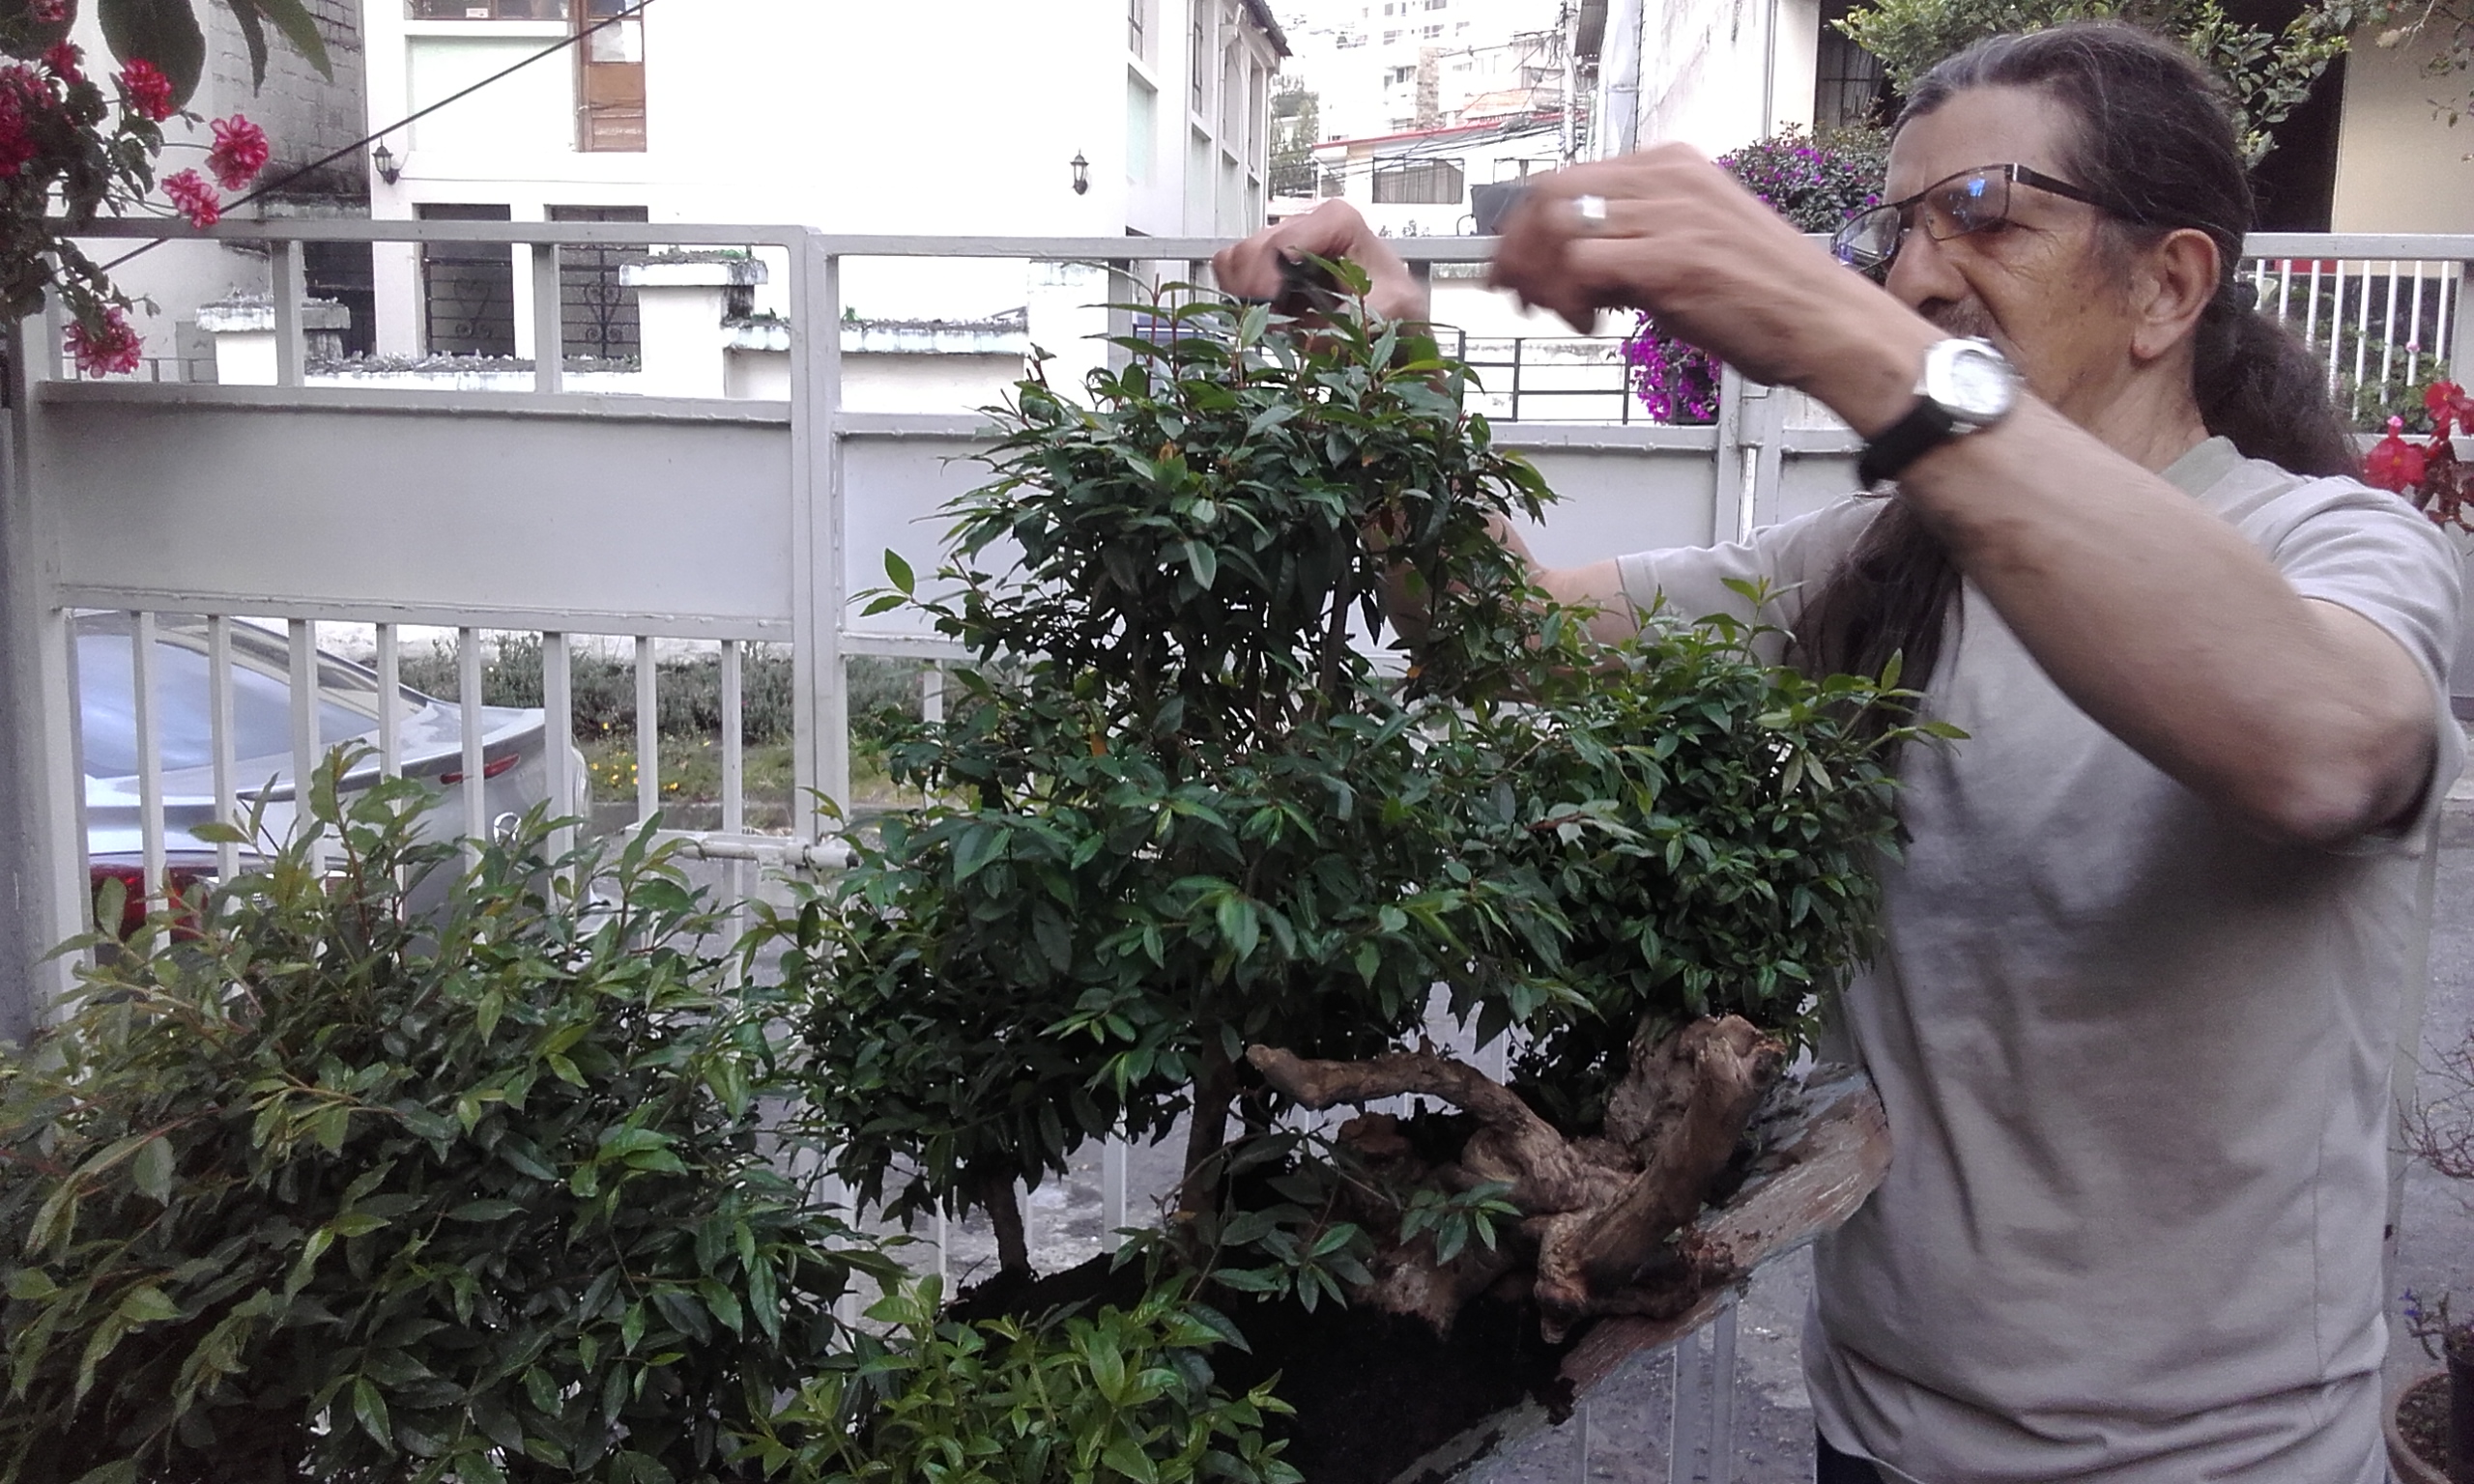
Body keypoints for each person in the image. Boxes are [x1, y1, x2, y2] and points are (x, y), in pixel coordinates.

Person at [1216, 22, 2463, 1484]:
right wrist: (1386, 372)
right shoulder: (1878, 568)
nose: (1916, 271)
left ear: (2169, 285)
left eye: (1984, 213)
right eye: (1895, 228)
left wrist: (1844, 333)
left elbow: (2318, 744)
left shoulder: (2333, 549)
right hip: (1877, 1437)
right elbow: (1502, 633)